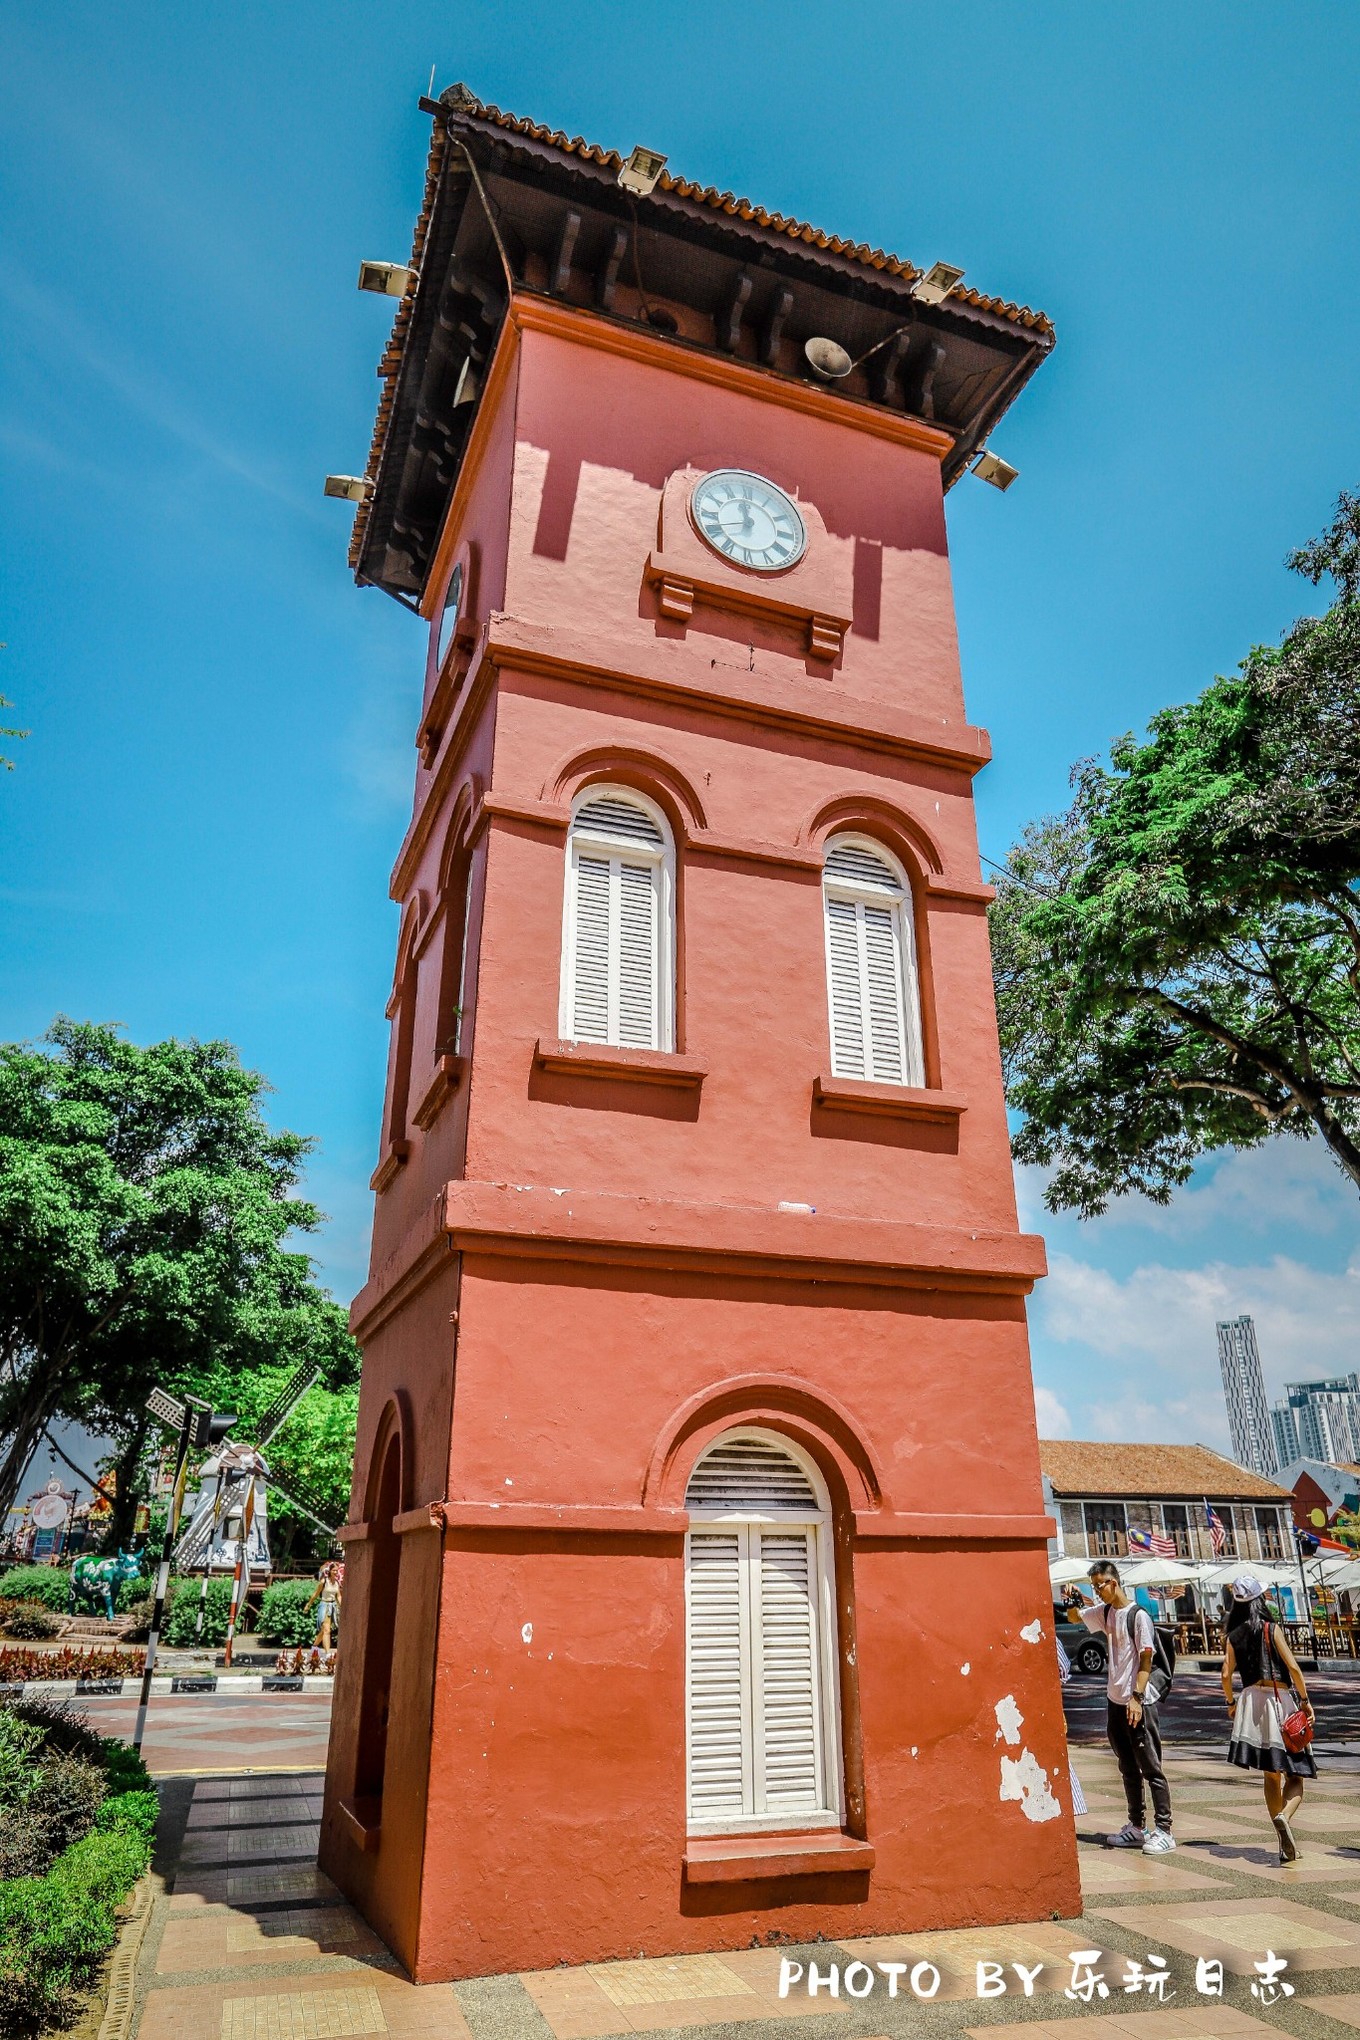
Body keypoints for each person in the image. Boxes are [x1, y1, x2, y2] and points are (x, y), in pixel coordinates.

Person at [1079, 1560, 1175, 1854]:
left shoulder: (1138, 1616)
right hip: (1114, 1701)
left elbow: (1146, 1659)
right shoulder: (1106, 1612)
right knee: (1127, 1766)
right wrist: (1072, 1600)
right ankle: (1136, 1826)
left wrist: (1136, 1696)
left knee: (1151, 1767)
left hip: (1137, 1702)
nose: (1097, 1592)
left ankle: (1165, 1830)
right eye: (1093, 1586)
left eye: (1100, 1585)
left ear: (1114, 1583)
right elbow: (1076, 1617)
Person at [1222, 1573, 1316, 1861]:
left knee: (1270, 1775)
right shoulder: (1269, 1628)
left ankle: (1281, 1839)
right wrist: (1305, 1701)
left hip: (1251, 1702)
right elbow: (1295, 1669)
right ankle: (1285, 1817)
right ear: (1259, 1599)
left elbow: (1226, 1674)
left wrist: (1231, 1703)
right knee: (1298, 1773)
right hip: (1279, 1701)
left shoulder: (1233, 1633)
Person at [306, 1560, 343, 1651]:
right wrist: (308, 1604)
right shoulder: (324, 1582)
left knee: (323, 1631)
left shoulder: (337, 1583)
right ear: (330, 1571)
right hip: (324, 1605)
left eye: (336, 1570)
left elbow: (338, 1596)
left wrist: (342, 1607)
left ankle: (314, 1646)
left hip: (332, 1606)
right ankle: (327, 1653)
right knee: (327, 1630)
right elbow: (315, 1594)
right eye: (334, 1570)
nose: (335, 1572)